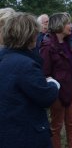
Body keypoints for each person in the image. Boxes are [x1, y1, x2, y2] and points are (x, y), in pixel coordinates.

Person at [0, 12, 60, 148]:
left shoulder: (4, 57)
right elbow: (45, 97)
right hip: (25, 134)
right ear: (29, 35)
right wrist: (53, 84)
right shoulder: (25, 64)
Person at [40, 12, 72, 148]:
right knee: (56, 126)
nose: (71, 26)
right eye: (68, 23)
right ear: (59, 26)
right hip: (57, 93)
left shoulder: (67, 43)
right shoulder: (47, 47)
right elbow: (45, 74)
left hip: (71, 89)